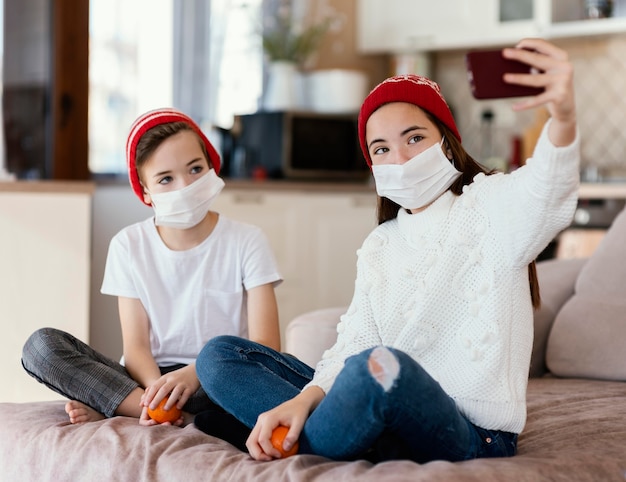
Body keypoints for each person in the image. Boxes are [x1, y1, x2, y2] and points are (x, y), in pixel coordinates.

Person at [194, 37, 579, 463]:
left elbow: (547, 188)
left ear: (447, 143)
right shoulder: (381, 243)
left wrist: (562, 116)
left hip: (471, 434)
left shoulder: (490, 206)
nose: (399, 158)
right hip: (385, 415)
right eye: (381, 149)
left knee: (377, 369)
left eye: (414, 138)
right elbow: (354, 341)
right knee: (221, 355)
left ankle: (296, 438)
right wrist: (303, 400)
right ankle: (322, 432)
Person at [21, 108, 282, 429]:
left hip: (221, 378)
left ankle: (121, 406)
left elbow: (266, 349)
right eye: (166, 179)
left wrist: (195, 373)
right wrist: (156, 391)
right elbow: (136, 348)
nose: (184, 186)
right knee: (41, 347)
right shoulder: (128, 245)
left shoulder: (248, 240)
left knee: (258, 382)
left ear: (213, 168)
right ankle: (159, 412)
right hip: (149, 377)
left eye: (196, 169)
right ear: (145, 192)